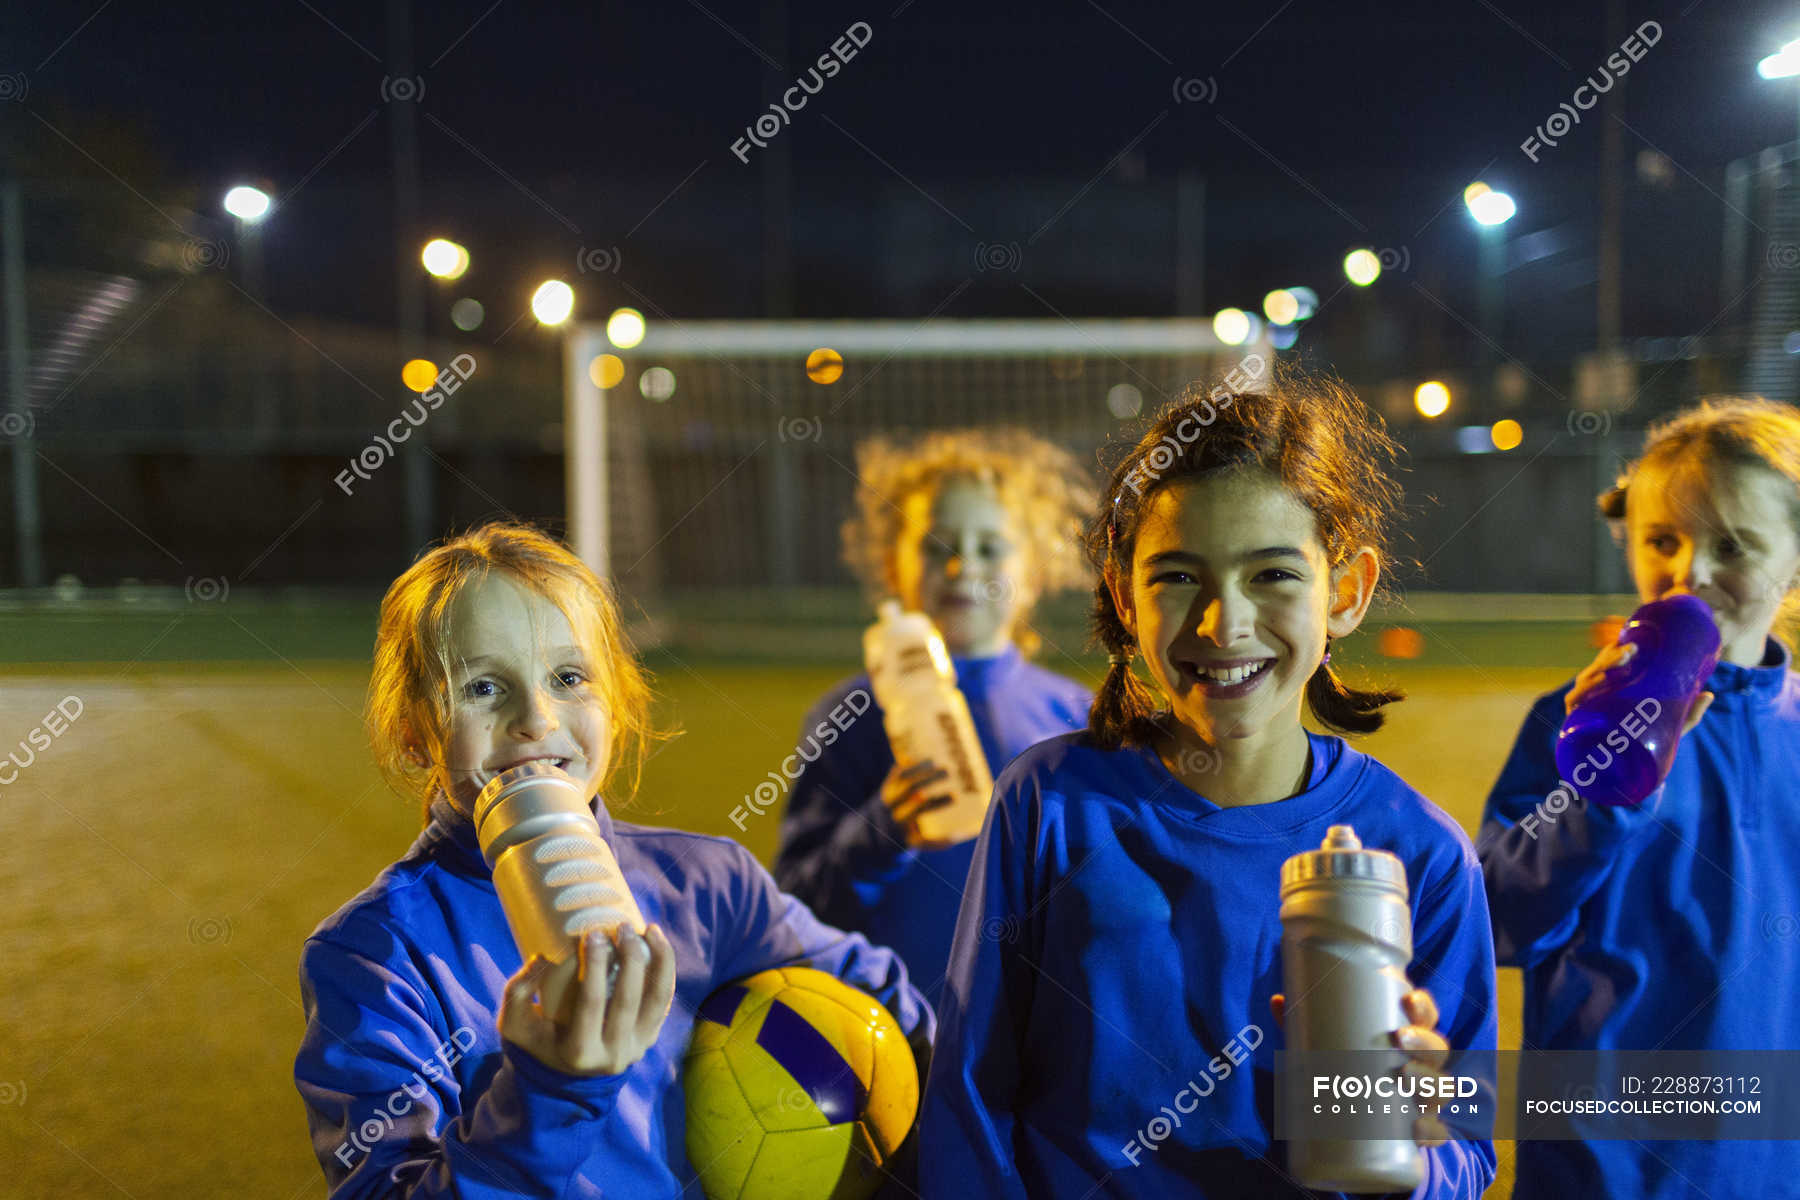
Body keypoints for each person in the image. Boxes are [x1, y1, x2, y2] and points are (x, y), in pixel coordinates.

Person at [920, 368, 1497, 1197]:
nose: (1224, 623)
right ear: (1124, 595)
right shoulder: (1051, 803)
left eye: (1272, 576)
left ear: (1349, 591)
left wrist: (1398, 1149)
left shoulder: (1422, 856)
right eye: (1179, 576)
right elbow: (971, 1102)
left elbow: (1468, 1159)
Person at [294, 521, 932, 1198]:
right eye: (483, 687)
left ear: (618, 702)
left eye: (568, 676)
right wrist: (547, 1091)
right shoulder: (375, 956)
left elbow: (884, 1002)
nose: (535, 719)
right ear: (414, 730)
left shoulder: (710, 887)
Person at [1479, 397, 1800, 1197]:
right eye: (1663, 540)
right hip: (1600, 1162)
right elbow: (1500, 915)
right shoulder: (1569, 719)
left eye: (1732, 544)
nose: (1689, 572)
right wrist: (1604, 786)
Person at [773, 428, 1095, 1003]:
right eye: (936, 545)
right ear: (893, 565)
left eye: (990, 547)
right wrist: (880, 831)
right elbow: (797, 903)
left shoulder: (1078, 718)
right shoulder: (849, 717)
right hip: (890, 1035)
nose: (961, 565)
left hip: (1031, 1036)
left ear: (1035, 573)